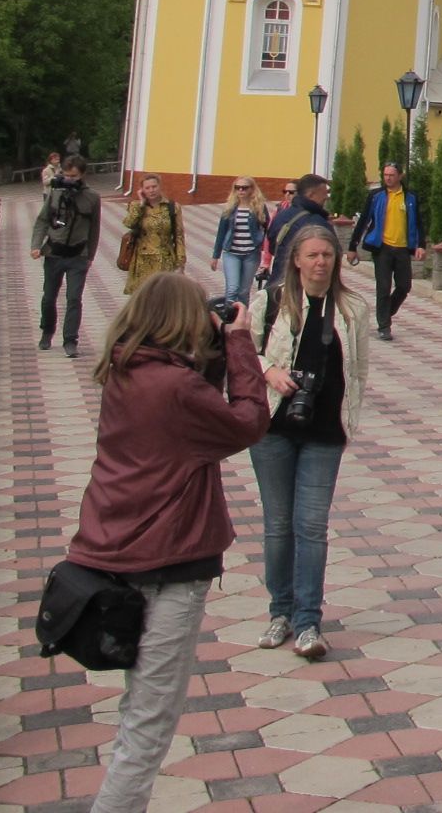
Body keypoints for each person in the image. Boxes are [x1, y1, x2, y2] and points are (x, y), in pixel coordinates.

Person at [69, 273, 269, 813]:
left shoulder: (125, 369)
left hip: (115, 547)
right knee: (151, 719)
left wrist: (212, 350)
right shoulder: (176, 387)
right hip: (170, 559)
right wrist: (239, 342)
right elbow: (248, 422)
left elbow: (186, 395)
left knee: (139, 704)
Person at [253, 224, 370, 659]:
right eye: (313, 255)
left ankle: (308, 621)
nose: (321, 262)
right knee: (278, 526)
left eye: (328, 255)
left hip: (324, 432)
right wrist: (270, 371)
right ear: (297, 260)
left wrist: (348, 422)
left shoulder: (352, 307)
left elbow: (358, 371)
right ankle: (279, 612)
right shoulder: (271, 301)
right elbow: (242, 350)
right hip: (273, 428)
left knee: (312, 527)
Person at [30, 152, 104, 356]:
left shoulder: (92, 198)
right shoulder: (56, 193)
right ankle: (47, 331)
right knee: (49, 297)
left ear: (83, 175)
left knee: (74, 298)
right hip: (54, 253)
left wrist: (90, 256)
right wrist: (36, 245)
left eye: (74, 176)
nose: (69, 179)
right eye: (66, 175)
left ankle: (70, 340)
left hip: (78, 255)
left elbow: (94, 229)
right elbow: (43, 220)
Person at [347, 160, 423, 340]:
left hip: (403, 248)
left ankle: (386, 312)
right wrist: (352, 246)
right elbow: (364, 221)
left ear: (400, 176)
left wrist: (421, 245)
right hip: (382, 248)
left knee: (404, 286)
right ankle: (384, 326)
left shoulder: (410, 197)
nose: (388, 178)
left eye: (391, 175)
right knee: (383, 287)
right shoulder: (376, 196)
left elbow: (419, 222)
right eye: (385, 175)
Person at [264, 172, 338, 289]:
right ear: (311, 195)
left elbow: (273, 247)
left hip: (277, 281)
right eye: (324, 193)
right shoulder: (318, 222)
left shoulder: (281, 216)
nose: (326, 197)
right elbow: (333, 251)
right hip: (305, 285)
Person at [120, 175, 186, 293]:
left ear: (160, 186)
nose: (151, 190)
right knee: (144, 298)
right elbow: (129, 223)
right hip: (142, 261)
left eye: (154, 186)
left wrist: (180, 263)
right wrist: (141, 204)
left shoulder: (172, 207)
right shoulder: (136, 206)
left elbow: (179, 235)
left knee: (164, 297)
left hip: (165, 259)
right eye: (147, 188)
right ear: (142, 190)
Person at [211, 178, 268, 306]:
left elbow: (267, 229)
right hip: (232, 253)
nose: (241, 190)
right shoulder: (230, 208)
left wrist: (266, 255)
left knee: (243, 291)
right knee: (232, 288)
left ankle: (241, 318)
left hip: (251, 254)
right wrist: (215, 256)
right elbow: (221, 232)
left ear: (252, 189)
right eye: (237, 187)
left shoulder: (259, 207)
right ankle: (228, 317)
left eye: (244, 187)